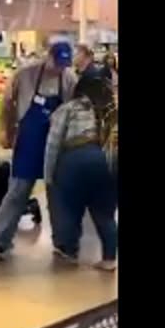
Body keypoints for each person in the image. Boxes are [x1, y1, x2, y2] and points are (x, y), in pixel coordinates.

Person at [0, 40, 78, 262]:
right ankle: (0, 242)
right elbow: (8, 104)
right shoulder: (25, 75)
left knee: (58, 196)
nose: (60, 68)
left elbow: (75, 110)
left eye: (64, 64)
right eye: (57, 62)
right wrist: (6, 132)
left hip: (57, 143)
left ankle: (64, 244)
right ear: (48, 56)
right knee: (17, 191)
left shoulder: (69, 78)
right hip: (29, 141)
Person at [45, 75, 118, 271]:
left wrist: (49, 175)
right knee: (105, 213)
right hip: (107, 159)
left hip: (75, 158)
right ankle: (110, 259)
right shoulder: (111, 110)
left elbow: (53, 144)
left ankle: (69, 252)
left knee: (69, 208)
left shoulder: (68, 108)